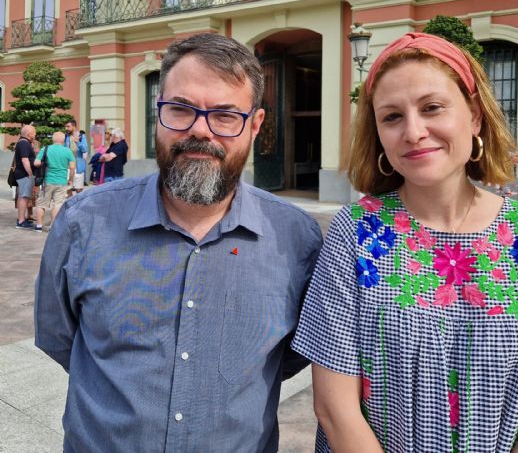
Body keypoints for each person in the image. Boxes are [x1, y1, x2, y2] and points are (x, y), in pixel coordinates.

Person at [292, 32, 518, 452]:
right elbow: (334, 407)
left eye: (432, 108)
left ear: (474, 117)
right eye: (391, 117)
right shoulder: (356, 231)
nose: (413, 131)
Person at [35, 32, 323, 452]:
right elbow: (59, 337)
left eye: (225, 115)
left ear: (255, 125)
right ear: (158, 112)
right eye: (180, 109)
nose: (200, 130)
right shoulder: (85, 222)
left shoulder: (297, 239)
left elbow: (288, 358)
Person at [33, 131, 75, 232]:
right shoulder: (67, 151)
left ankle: (39, 226)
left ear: (53, 139)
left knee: (41, 204)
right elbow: (72, 167)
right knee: (58, 204)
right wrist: (70, 179)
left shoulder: (46, 149)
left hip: (47, 181)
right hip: (61, 181)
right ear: (63, 140)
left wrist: (43, 163)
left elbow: (36, 163)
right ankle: (52, 226)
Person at [14, 124, 37, 229]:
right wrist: (30, 173)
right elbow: (25, 159)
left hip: (22, 174)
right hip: (24, 174)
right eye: (34, 133)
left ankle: (21, 219)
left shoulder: (24, 142)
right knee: (24, 197)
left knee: (22, 197)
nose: (35, 135)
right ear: (29, 134)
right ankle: (21, 221)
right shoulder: (24, 143)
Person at [65, 119, 88, 192]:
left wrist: (78, 142)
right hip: (68, 168)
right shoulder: (66, 137)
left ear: (74, 126)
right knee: (68, 190)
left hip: (78, 168)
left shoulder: (81, 136)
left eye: (68, 126)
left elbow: (85, 149)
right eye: (65, 127)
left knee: (79, 191)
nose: (66, 128)